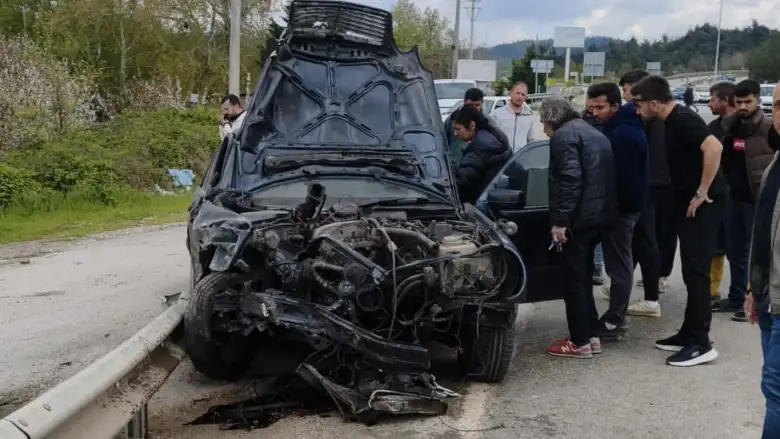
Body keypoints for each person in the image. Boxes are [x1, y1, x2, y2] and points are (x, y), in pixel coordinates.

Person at [631, 75, 727, 367]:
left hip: (705, 204)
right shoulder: (668, 121)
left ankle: (701, 342)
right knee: (689, 269)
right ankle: (688, 332)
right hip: (688, 203)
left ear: (654, 102)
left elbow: (714, 148)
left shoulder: (683, 118)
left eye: (639, 105)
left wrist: (702, 192)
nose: (637, 111)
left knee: (697, 270)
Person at [540, 97, 617, 358]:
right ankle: (591, 334)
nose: (543, 129)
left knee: (573, 281)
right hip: (599, 217)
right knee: (584, 278)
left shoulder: (563, 137)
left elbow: (570, 180)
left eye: (543, 122)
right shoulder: (590, 131)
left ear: (551, 119)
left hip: (578, 220)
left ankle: (579, 341)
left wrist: (561, 221)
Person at [585, 83, 648, 338]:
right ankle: (615, 316)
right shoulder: (615, 127)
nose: (595, 112)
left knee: (619, 265)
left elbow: (620, 178)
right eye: (591, 107)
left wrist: (612, 209)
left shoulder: (623, 133)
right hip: (618, 207)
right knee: (617, 263)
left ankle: (615, 320)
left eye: (600, 107)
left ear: (615, 105)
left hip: (621, 209)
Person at [714, 79, 775, 321]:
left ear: (758, 100)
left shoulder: (769, 128)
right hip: (733, 197)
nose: (743, 106)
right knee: (735, 251)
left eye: (748, 101)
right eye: (739, 102)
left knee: (757, 253)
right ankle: (737, 296)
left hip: (758, 200)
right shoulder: (729, 127)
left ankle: (757, 301)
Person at [620, 70, 675, 302]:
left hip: (656, 185)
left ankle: (654, 286)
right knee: (645, 239)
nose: (625, 94)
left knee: (653, 238)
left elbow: (655, 155)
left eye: (626, 89)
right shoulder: (646, 117)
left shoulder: (658, 119)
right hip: (654, 184)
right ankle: (629, 280)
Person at [745, 81, 780, 439]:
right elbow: (764, 235)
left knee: (777, 393)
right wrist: (755, 289)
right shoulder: (775, 165)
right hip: (770, 298)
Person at [705, 81, 736, 312]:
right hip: (718, 192)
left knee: (739, 248)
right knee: (716, 245)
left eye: (713, 98)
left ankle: (741, 293)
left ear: (725, 100)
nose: (710, 103)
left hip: (741, 196)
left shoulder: (744, 127)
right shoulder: (713, 127)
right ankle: (712, 291)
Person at [450, 105, 512, 204]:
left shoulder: (479, 149)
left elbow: (462, 182)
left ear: (472, 125)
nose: (455, 133)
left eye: (458, 129)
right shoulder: (492, 139)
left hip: (479, 204)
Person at [444, 88, 507, 165]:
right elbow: (442, 140)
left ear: (482, 103)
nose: (473, 108)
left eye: (477, 105)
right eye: (470, 105)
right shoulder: (453, 120)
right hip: (453, 166)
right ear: (464, 102)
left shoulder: (489, 122)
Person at [582, 99, 606, 286]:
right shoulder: (584, 122)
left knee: (595, 231)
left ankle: (596, 266)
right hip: (593, 183)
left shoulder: (603, 126)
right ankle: (594, 266)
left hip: (595, 184)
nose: (594, 110)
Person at [492, 81, 547, 152]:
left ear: (526, 97)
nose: (520, 97)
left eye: (523, 94)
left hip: (520, 159)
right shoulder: (497, 114)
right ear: (511, 93)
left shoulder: (529, 116)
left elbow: (531, 140)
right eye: (517, 93)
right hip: (502, 158)